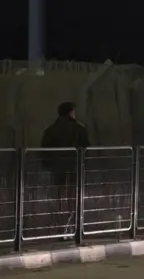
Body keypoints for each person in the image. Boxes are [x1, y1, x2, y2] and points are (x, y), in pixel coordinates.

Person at [41, 102, 90, 240]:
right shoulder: (78, 128)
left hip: (57, 169)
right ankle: (70, 228)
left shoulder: (50, 130)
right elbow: (86, 148)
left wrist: (48, 165)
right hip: (74, 167)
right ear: (70, 113)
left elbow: (44, 151)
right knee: (73, 198)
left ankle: (61, 228)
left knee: (59, 197)